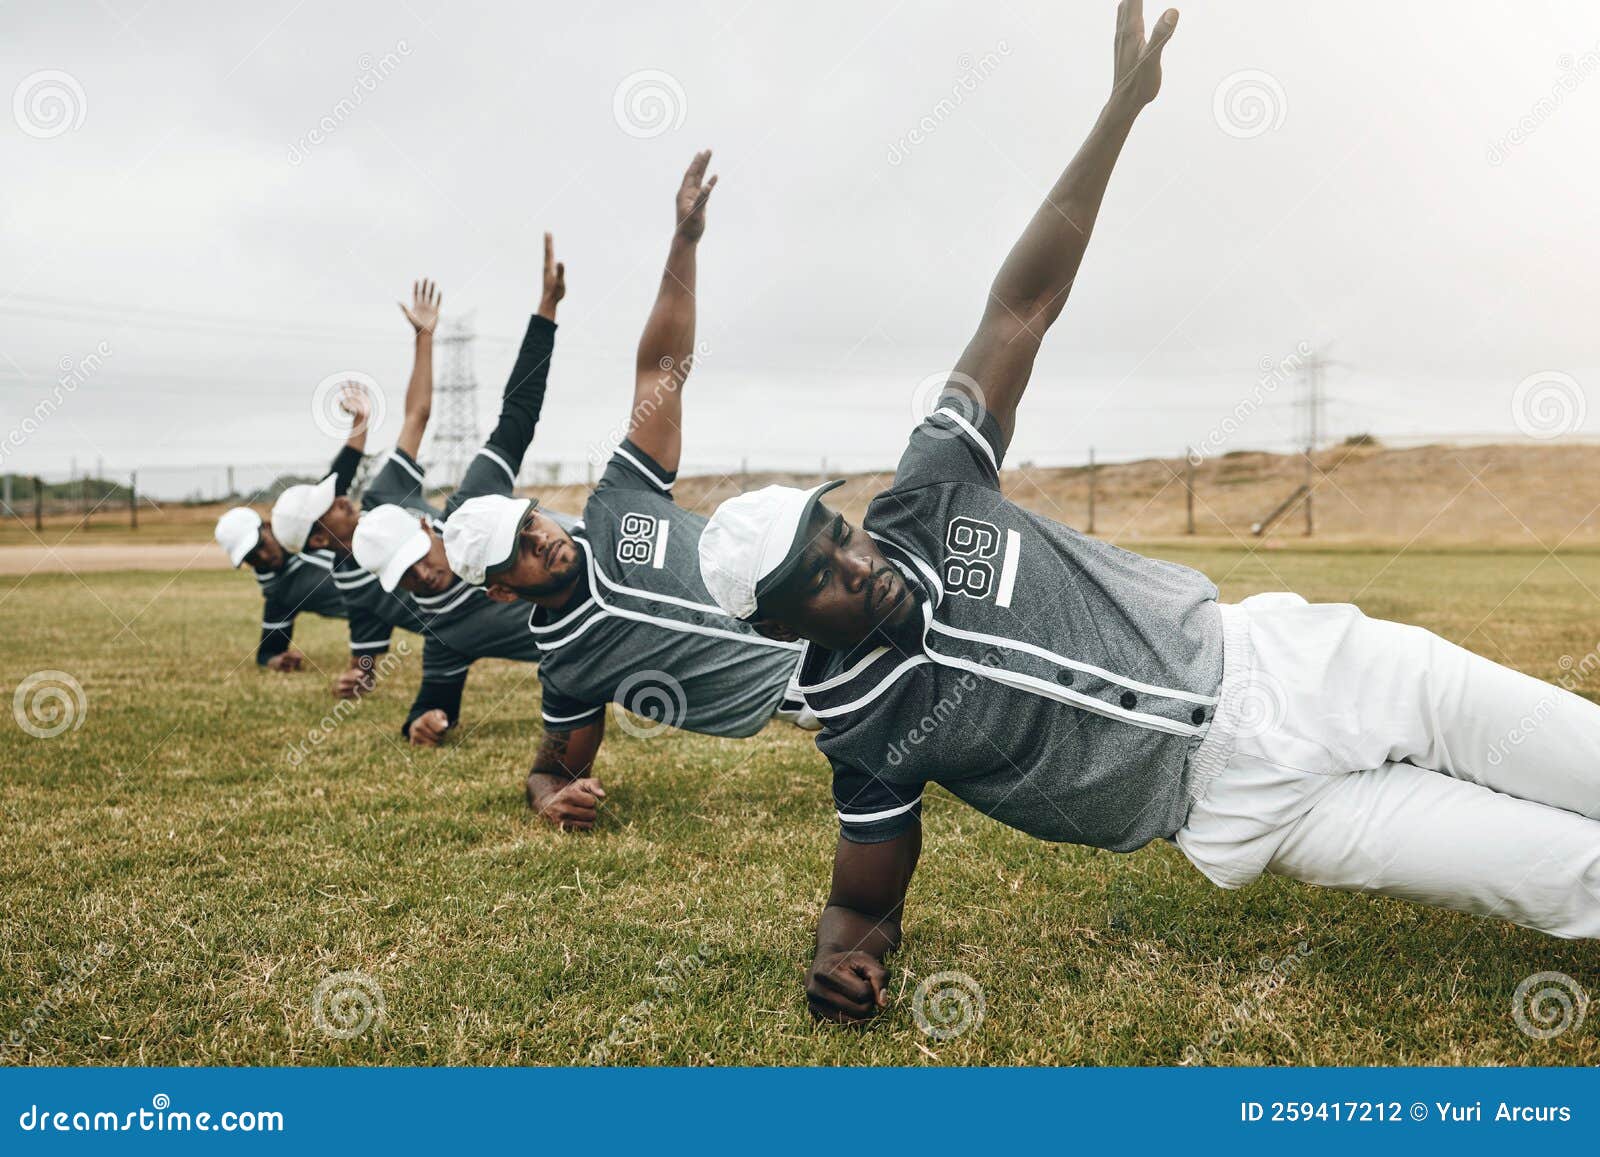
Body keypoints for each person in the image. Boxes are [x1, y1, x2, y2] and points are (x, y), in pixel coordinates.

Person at [698, 0, 1600, 1027]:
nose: (853, 560)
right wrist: (842, 963)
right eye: (815, 574)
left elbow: (1018, 309)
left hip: (1296, 663)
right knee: (1564, 875)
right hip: (1245, 807)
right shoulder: (863, 727)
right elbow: (860, 899)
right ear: (777, 624)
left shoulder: (932, 491)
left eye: (837, 532)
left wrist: (1118, 111)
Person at [441, 152, 816, 831]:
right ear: (499, 590)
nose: (543, 538)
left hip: (835, 585)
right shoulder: (567, 667)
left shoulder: (614, 502)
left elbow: (661, 371)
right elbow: (551, 768)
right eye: (521, 550)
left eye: (531, 523)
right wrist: (549, 796)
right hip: (817, 689)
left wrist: (685, 241)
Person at [351, 234, 574, 745]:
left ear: (428, 524)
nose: (423, 576)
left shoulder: (472, 509)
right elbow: (436, 697)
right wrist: (423, 723)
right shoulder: (444, 627)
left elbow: (515, 418)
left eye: (419, 559)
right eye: (405, 578)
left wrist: (545, 313)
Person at [271, 279, 444, 699]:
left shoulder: (385, 493)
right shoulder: (353, 582)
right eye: (326, 505)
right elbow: (366, 644)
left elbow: (417, 415)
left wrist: (423, 338)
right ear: (317, 538)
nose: (340, 496)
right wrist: (358, 677)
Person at [212, 382, 371, 670]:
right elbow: (267, 651)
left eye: (259, 546)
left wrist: (360, 420)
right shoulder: (279, 591)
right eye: (250, 558)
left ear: (269, 527)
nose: (261, 557)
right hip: (379, 611)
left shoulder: (308, 524)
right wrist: (275, 660)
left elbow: (341, 474)